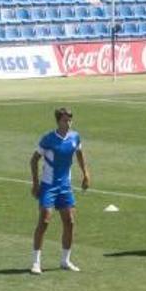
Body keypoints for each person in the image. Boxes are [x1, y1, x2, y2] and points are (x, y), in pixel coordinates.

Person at [29, 108, 90, 274]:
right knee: (45, 221)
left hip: (65, 186)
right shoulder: (48, 139)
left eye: (70, 120)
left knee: (70, 222)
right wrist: (35, 183)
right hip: (49, 186)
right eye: (65, 120)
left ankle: (65, 260)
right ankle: (36, 262)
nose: (68, 123)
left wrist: (86, 174)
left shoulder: (75, 137)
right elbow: (34, 160)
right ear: (58, 121)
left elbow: (79, 154)